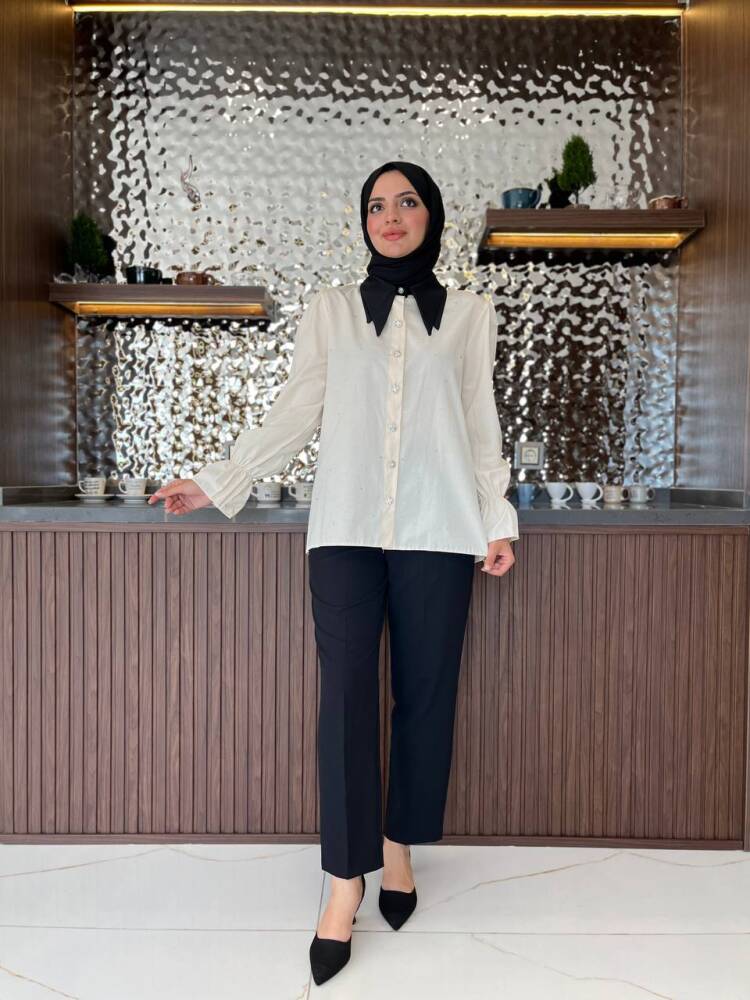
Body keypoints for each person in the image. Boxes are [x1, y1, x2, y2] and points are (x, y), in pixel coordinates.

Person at [148, 160, 518, 986]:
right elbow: (297, 411)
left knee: (426, 697)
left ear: (431, 216)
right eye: (377, 205)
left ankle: (398, 845)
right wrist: (218, 480)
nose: (391, 215)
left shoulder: (469, 315)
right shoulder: (332, 312)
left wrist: (496, 519)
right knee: (345, 700)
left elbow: (479, 421)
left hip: (439, 529)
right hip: (345, 531)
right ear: (363, 221)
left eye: (407, 202)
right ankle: (344, 881)